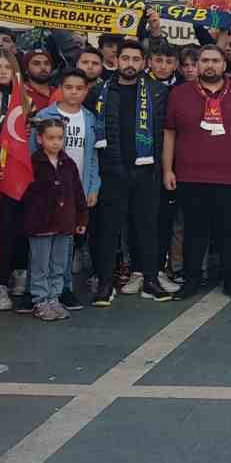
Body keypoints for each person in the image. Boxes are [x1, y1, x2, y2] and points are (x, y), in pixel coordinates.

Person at [164, 44, 231, 300]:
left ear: (224, 65)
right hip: (189, 175)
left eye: (215, 60)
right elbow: (170, 132)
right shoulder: (179, 94)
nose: (210, 65)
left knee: (230, 231)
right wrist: (167, 169)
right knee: (194, 231)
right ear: (197, 64)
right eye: (204, 60)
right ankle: (192, 280)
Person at [95, 39, 172, 303]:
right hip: (111, 171)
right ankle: (105, 282)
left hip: (146, 172)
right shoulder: (100, 92)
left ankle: (150, 279)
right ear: (116, 60)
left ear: (145, 62)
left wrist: (163, 170)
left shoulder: (158, 91)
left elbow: (164, 134)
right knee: (109, 230)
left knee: (148, 228)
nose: (130, 64)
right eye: (125, 58)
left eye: (136, 59)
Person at [31, 70, 101, 310]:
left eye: (79, 88)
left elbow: (92, 157)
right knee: (42, 248)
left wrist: (93, 186)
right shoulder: (45, 116)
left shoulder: (90, 118)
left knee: (66, 244)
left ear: (85, 91)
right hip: (46, 193)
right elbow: (32, 154)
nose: (73, 92)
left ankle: (63, 289)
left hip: (76, 190)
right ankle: (40, 294)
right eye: (68, 87)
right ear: (60, 88)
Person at [21, 118, 89, 321]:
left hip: (64, 224)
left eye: (60, 138)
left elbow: (77, 193)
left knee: (59, 264)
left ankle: (54, 298)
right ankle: (40, 300)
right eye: (50, 138)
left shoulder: (68, 164)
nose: (56, 142)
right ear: (40, 139)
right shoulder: (33, 164)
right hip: (40, 224)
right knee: (40, 264)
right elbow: (25, 195)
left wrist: (81, 219)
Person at [0, 50, 24, 312]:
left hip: (10, 176)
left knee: (7, 232)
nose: (2, 71)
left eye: (7, 67)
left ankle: (0, 284)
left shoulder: (22, 101)